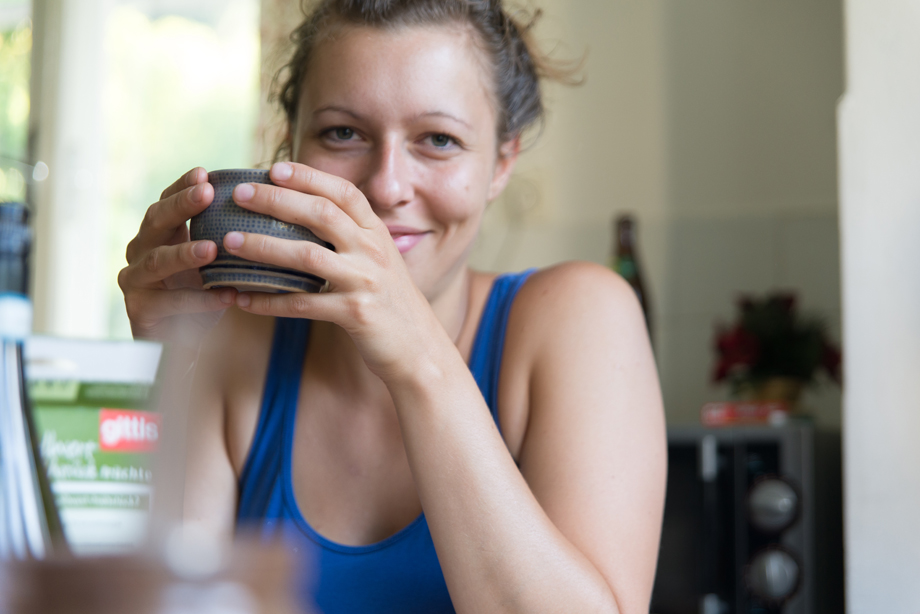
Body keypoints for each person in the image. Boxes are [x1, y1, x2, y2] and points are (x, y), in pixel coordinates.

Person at [118, 1, 667, 612]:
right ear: (288, 149)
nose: (386, 186)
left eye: (439, 139)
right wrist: (170, 369)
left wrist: (417, 357)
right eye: (342, 133)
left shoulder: (579, 318)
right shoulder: (242, 340)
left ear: (500, 164)